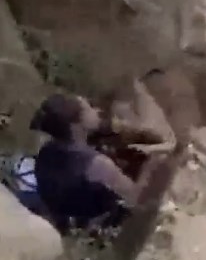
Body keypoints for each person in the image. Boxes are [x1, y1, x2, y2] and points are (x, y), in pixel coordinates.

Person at [30, 93, 140, 234]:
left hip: (63, 223)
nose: (97, 111)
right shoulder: (97, 165)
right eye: (89, 108)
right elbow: (136, 196)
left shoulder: (46, 150)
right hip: (100, 227)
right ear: (76, 124)